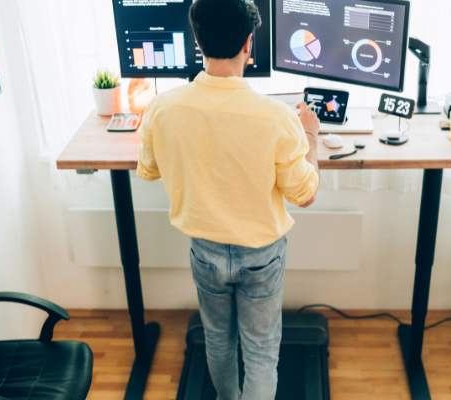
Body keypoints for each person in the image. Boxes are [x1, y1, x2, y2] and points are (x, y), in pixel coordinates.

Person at [136, 0, 320, 398]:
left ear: (196, 41)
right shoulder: (276, 117)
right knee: (260, 349)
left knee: (218, 339)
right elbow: (304, 193)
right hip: (261, 255)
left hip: (205, 250)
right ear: (249, 44)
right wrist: (312, 139)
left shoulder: (163, 108)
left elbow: (148, 171)